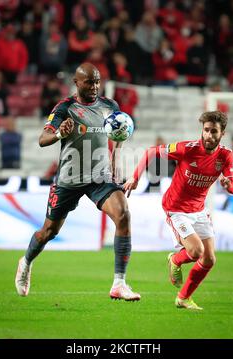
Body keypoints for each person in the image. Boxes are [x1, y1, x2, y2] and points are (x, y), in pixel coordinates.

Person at [15, 63, 140, 301]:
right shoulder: (65, 107)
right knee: (48, 232)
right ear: (76, 82)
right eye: (88, 82)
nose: (94, 87)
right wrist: (60, 133)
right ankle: (26, 261)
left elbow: (118, 136)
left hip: (99, 178)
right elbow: (43, 139)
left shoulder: (109, 106)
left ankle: (119, 283)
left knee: (123, 214)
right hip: (69, 180)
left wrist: (115, 167)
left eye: (97, 81)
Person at [123, 111, 233, 310]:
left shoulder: (226, 155)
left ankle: (183, 298)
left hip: (199, 210)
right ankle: (175, 259)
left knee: (209, 259)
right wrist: (134, 177)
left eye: (214, 132)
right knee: (195, 251)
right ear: (202, 130)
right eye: (206, 130)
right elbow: (151, 151)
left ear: (222, 133)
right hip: (176, 208)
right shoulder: (187, 149)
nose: (209, 135)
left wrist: (229, 184)